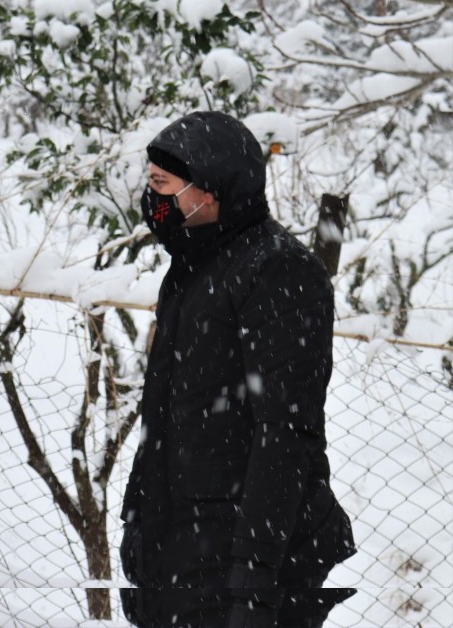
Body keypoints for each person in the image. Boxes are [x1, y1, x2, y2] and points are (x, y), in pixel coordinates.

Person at [119, 112, 356, 628]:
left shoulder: (278, 271)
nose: (152, 198)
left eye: (162, 185)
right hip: (186, 545)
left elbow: (286, 433)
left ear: (213, 187)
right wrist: (138, 524)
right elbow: (163, 416)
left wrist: (253, 582)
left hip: (246, 555)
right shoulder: (193, 266)